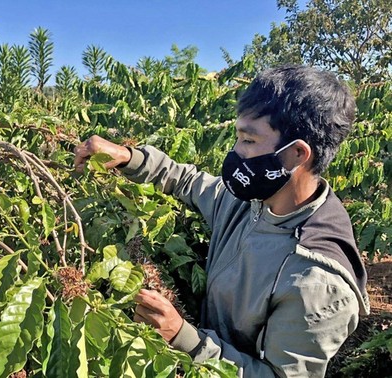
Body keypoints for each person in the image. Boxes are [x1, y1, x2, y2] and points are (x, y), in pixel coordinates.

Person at [74, 65, 369, 377]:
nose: (236, 151)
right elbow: (186, 181)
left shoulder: (316, 282)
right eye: (237, 136)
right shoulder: (251, 201)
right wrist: (128, 157)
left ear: (296, 154)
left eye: (249, 141)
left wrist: (182, 337)